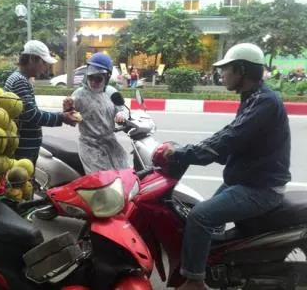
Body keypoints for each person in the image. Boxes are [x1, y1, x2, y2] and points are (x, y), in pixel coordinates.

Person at [159, 43, 291, 290]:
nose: (222, 75)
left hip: (260, 189)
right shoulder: (254, 98)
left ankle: (195, 281)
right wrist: (195, 150)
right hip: (244, 181)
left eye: (226, 69)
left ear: (241, 70)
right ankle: (215, 266)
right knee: (197, 215)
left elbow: (228, 139)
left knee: (199, 217)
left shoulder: (265, 102)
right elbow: (229, 139)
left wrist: (182, 154)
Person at [3, 40, 77, 164]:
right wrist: (62, 117)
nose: (45, 67)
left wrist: (63, 114)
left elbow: (30, 112)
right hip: (21, 151)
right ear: (32, 59)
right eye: (43, 62)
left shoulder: (20, 79)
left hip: (24, 150)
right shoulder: (19, 81)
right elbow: (32, 116)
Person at [63, 53, 129, 174]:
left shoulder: (111, 93)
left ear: (106, 77)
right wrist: (67, 109)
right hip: (90, 147)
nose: (93, 82)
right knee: (102, 182)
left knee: (124, 175)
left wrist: (121, 115)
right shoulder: (78, 95)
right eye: (90, 77)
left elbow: (121, 109)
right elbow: (71, 120)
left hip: (111, 143)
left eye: (98, 79)